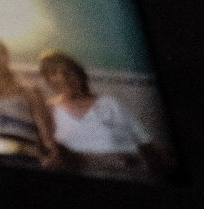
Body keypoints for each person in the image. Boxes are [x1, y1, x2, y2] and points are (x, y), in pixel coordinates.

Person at [38, 49, 168, 179]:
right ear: (48, 80)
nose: (63, 78)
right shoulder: (50, 109)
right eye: (53, 73)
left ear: (79, 74)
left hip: (123, 173)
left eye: (68, 72)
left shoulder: (110, 104)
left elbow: (145, 143)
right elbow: (48, 149)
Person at [0, 35, 57, 166]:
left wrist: (49, 155)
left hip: (26, 153)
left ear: (7, 56)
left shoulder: (28, 90)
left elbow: (46, 134)